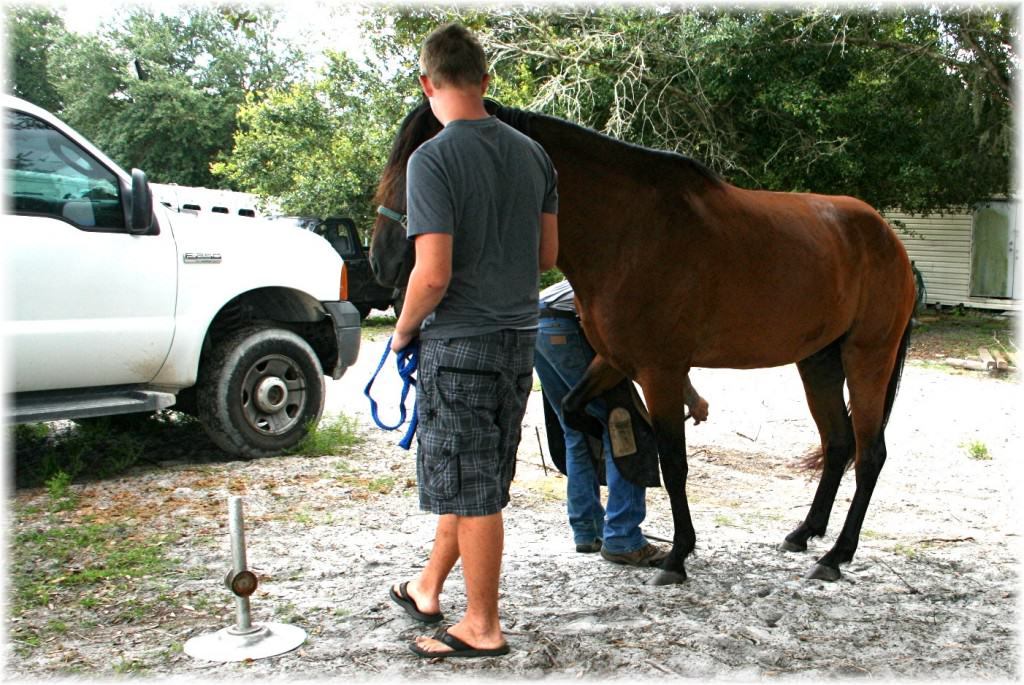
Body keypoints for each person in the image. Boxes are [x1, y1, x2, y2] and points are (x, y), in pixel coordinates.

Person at [386, 23, 559, 659]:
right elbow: (547, 256)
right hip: (519, 340)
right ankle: (428, 588)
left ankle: (482, 626)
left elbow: (431, 274)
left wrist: (403, 332)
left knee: (471, 486)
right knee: (478, 476)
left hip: (459, 342)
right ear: (486, 81)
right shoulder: (534, 155)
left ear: (427, 83)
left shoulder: (430, 159)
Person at [534, 279, 709, 566]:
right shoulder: (649, 289)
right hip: (567, 325)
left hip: (538, 324)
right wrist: (692, 399)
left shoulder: (618, 272)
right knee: (622, 427)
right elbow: (662, 360)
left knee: (576, 429)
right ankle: (622, 537)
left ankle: (588, 531)